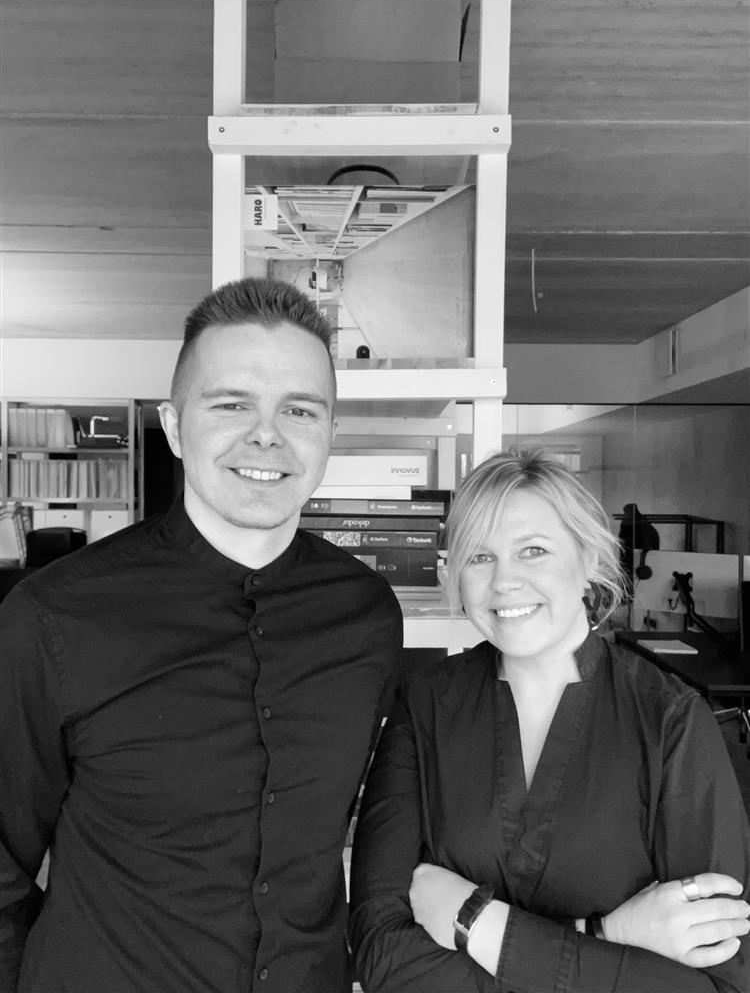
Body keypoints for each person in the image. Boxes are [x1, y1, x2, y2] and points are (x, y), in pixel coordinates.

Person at [0, 277, 403, 993]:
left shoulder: (368, 613)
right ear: (174, 425)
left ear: (330, 434)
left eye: (300, 409)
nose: (267, 434)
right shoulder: (54, 615)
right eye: (231, 404)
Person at [349, 448, 750, 992]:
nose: (504, 581)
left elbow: (718, 985)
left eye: (533, 550)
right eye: (480, 557)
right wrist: (605, 934)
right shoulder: (425, 704)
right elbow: (380, 954)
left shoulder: (670, 722)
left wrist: (477, 923)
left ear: (588, 560)